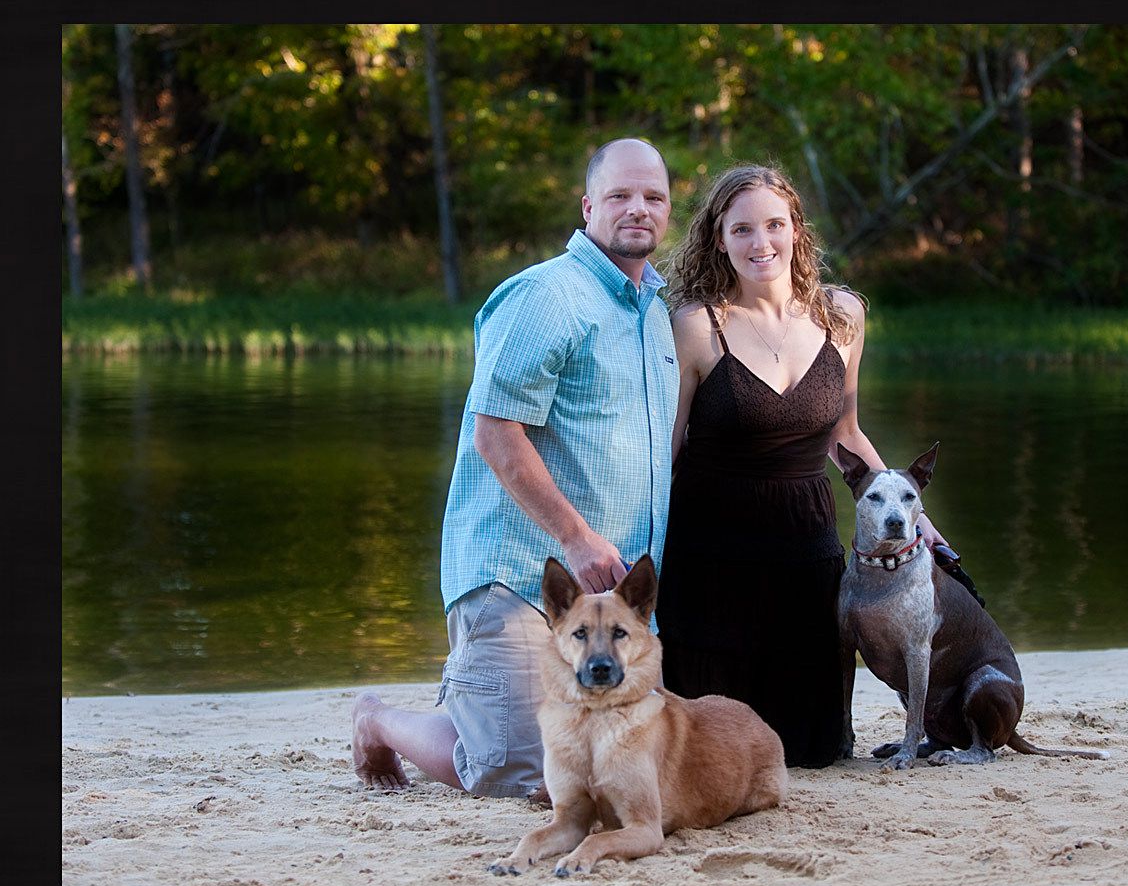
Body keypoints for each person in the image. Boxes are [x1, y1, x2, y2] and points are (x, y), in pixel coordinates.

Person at [351, 137, 678, 798]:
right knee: (520, 771)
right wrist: (576, 538)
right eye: (620, 195)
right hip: (520, 583)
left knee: (621, 763)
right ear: (589, 206)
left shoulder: (657, 313)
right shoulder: (546, 297)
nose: (637, 208)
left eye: (653, 197)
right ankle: (378, 720)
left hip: (610, 604)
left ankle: (477, 702)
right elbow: (495, 435)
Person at [657, 164, 948, 769]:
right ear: (718, 239)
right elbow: (668, 451)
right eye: (741, 230)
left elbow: (846, 433)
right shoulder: (694, 325)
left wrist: (920, 519)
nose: (760, 243)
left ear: (796, 230)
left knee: (811, 751)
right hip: (712, 554)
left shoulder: (842, 316)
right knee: (711, 750)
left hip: (805, 546)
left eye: (773, 225)